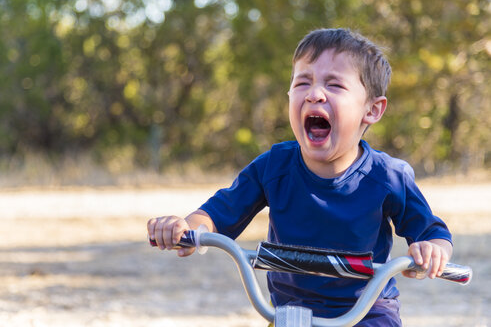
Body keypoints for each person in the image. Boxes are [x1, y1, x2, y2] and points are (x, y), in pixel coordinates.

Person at [147, 28, 452, 326]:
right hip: (289, 313)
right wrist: (185, 229)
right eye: (303, 82)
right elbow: (215, 215)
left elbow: (433, 233)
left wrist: (432, 250)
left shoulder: (387, 177)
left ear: (371, 110)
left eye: (334, 85)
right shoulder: (273, 167)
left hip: (365, 313)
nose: (314, 94)